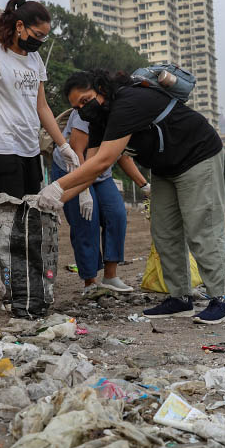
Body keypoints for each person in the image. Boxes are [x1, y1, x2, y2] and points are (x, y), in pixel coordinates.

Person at [37, 70, 225, 324]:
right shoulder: (99, 119)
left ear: (100, 88)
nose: (83, 109)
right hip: (165, 167)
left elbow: (103, 161)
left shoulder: (127, 102)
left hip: (197, 156)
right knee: (164, 232)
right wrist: (58, 200)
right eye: (76, 106)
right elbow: (91, 167)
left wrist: (57, 187)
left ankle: (219, 301)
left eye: (85, 100)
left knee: (201, 228)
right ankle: (180, 298)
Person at [0, 0, 78, 240]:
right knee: (9, 223)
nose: (39, 41)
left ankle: (28, 277)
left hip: (29, 150)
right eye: (37, 34)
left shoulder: (34, 60)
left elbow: (42, 106)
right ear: (19, 26)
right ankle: (8, 277)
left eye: (43, 37)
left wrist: (63, 145)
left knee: (32, 219)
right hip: (1, 149)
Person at [53, 71, 150, 295]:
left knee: (116, 214)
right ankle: (90, 282)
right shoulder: (86, 113)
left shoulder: (121, 110)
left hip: (101, 172)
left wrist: (144, 186)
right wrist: (83, 190)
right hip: (74, 168)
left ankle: (111, 276)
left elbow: (122, 155)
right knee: (86, 220)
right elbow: (78, 151)